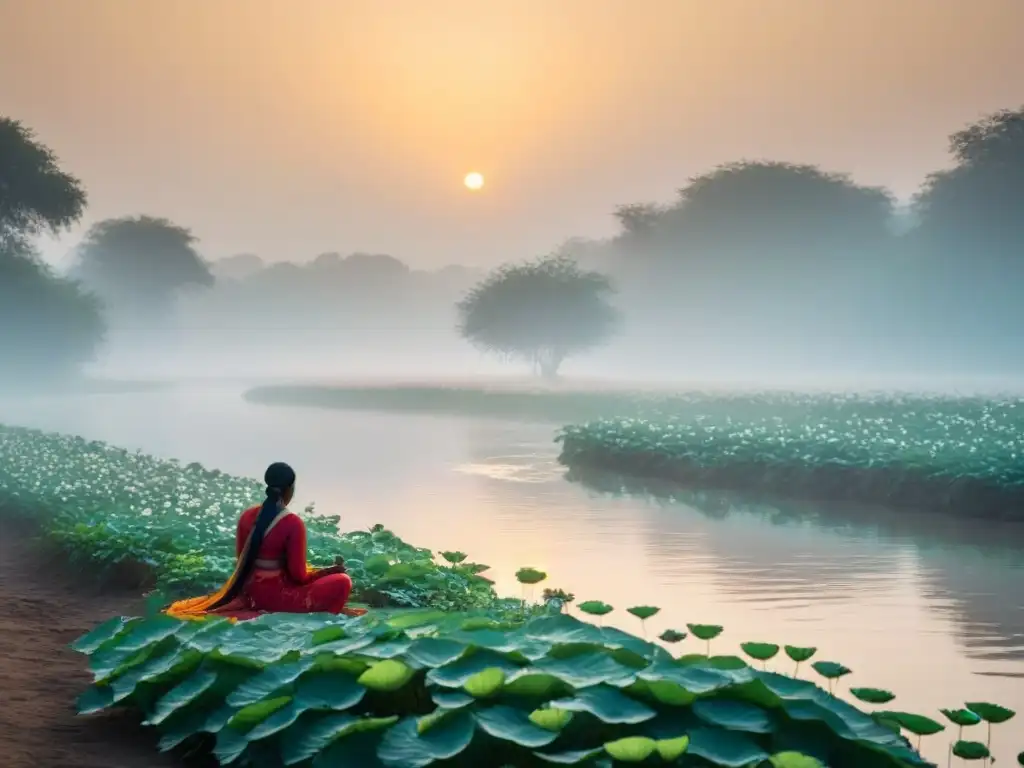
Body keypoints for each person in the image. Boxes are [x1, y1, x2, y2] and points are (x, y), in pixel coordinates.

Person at [166, 462, 366, 620]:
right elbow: (298, 577)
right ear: (290, 491)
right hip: (277, 598)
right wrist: (328, 571)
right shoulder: (292, 523)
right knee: (342, 582)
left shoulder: (247, 517)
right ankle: (325, 614)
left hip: (250, 593)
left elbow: (242, 561)